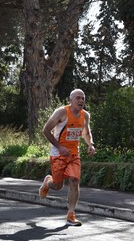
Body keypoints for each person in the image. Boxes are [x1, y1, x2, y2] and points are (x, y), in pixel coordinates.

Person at [39, 89, 96, 226]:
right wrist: (59, 146)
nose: (81, 100)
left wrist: (90, 144)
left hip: (74, 155)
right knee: (57, 186)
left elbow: (86, 133)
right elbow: (46, 130)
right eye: (78, 98)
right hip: (58, 154)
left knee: (74, 181)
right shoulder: (61, 112)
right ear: (71, 100)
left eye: (83, 98)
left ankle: (71, 214)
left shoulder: (85, 115)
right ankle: (48, 182)